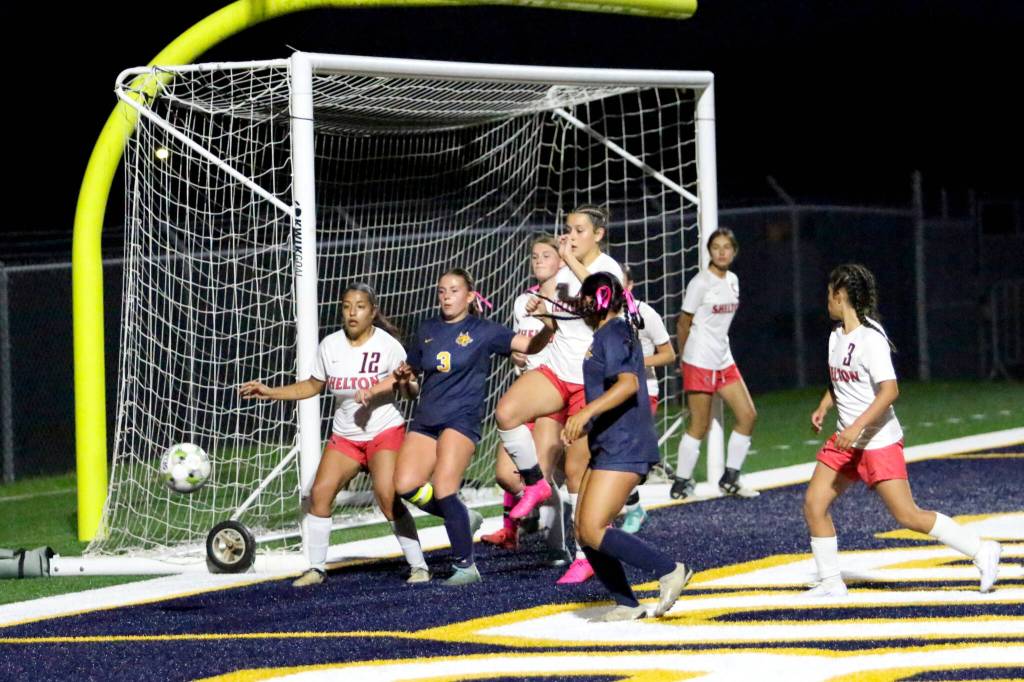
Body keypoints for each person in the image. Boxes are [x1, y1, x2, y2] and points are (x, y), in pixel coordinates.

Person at [803, 263, 1002, 597]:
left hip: (877, 441)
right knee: (813, 503)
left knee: (907, 515)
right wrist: (825, 405)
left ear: (840, 296)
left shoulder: (871, 339)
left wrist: (856, 427)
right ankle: (831, 581)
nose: (826, 300)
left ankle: (982, 550)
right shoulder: (835, 337)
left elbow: (890, 391)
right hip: (846, 441)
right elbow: (838, 380)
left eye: (829, 294)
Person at [239, 283, 428, 586]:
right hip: (346, 437)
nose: (352, 312)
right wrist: (270, 391)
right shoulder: (330, 345)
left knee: (387, 496)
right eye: (346, 306)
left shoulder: (388, 346)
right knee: (320, 494)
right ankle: (316, 568)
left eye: (360, 306)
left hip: (384, 432)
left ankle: (419, 566)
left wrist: (407, 382)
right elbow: (312, 386)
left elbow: (411, 391)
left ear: (373, 312)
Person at [392, 268, 553, 586]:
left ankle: (466, 565)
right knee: (405, 485)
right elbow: (411, 385)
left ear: (469, 296)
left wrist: (549, 325)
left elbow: (530, 346)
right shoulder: (427, 330)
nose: (447, 295)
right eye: (442, 290)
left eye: (453, 290)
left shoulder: (484, 330)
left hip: (461, 420)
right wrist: (405, 380)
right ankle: (463, 517)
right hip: (426, 419)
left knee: (444, 487)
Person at [494, 204, 624, 584]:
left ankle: (585, 556)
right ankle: (534, 481)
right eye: (568, 229)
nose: (571, 236)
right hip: (556, 372)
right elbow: (558, 323)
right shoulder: (564, 273)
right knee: (506, 413)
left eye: (580, 230)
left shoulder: (607, 268)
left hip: (590, 380)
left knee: (575, 474)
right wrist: (543, 312)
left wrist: (568, 265)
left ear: (598, 235)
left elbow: (602, 301)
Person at [562, 271, 693, 621]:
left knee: (593, 528)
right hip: (609, 441)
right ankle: (626, 602)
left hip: (626, 441)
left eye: (585, 299)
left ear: (598, 300)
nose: (581, 306)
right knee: (583, 531)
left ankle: (668, 569)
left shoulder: (616, 330)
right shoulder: (605, 333)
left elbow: (628, 384)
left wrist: (585, 412)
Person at [482, 235, 569, 564]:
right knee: (506, 474)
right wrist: (517, 357)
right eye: (534, 256)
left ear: (561, 260)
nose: (538, 260)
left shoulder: (569, 298)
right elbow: (525, 346)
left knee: (545, 476)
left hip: (554, 394)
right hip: (525, 391)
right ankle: (532, 509)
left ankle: (558, 546)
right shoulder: (523, 302)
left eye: (546, 255)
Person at [672, 228, 759, 500]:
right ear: (709, 251)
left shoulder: (733, 280)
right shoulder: (700, 283)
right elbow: (683, 323)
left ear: (734, 251)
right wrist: (684, 358)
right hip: (699, 359)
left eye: (726, 247)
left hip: (723, 358)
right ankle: (681, 482)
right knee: (700, 425)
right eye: (716, 247)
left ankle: (730, 478)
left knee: (747, 415)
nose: (721, 252)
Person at [618, 266, 676, 533]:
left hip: (643, 390)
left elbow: (669, 354)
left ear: (630, 284)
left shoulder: (645, 313)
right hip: (611, 392)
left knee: (624, 452)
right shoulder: (602, 316)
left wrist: (638, 364)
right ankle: (632, 508)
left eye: (620, 281)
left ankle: (633, 509)